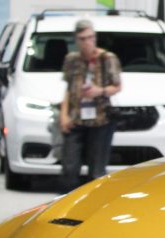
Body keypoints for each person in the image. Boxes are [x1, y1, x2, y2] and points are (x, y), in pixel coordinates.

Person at [59, 19, 121, 191]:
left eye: (90, 37)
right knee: (69, 169)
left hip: (100, 120)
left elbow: (117, 86)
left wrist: (99, 91)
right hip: (76, 119)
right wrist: (63, 115)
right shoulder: (72, 60)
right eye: (83, 39)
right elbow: (68, 89)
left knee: (96, 172)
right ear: (76, 40)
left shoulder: (107, 59)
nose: (87, 42)